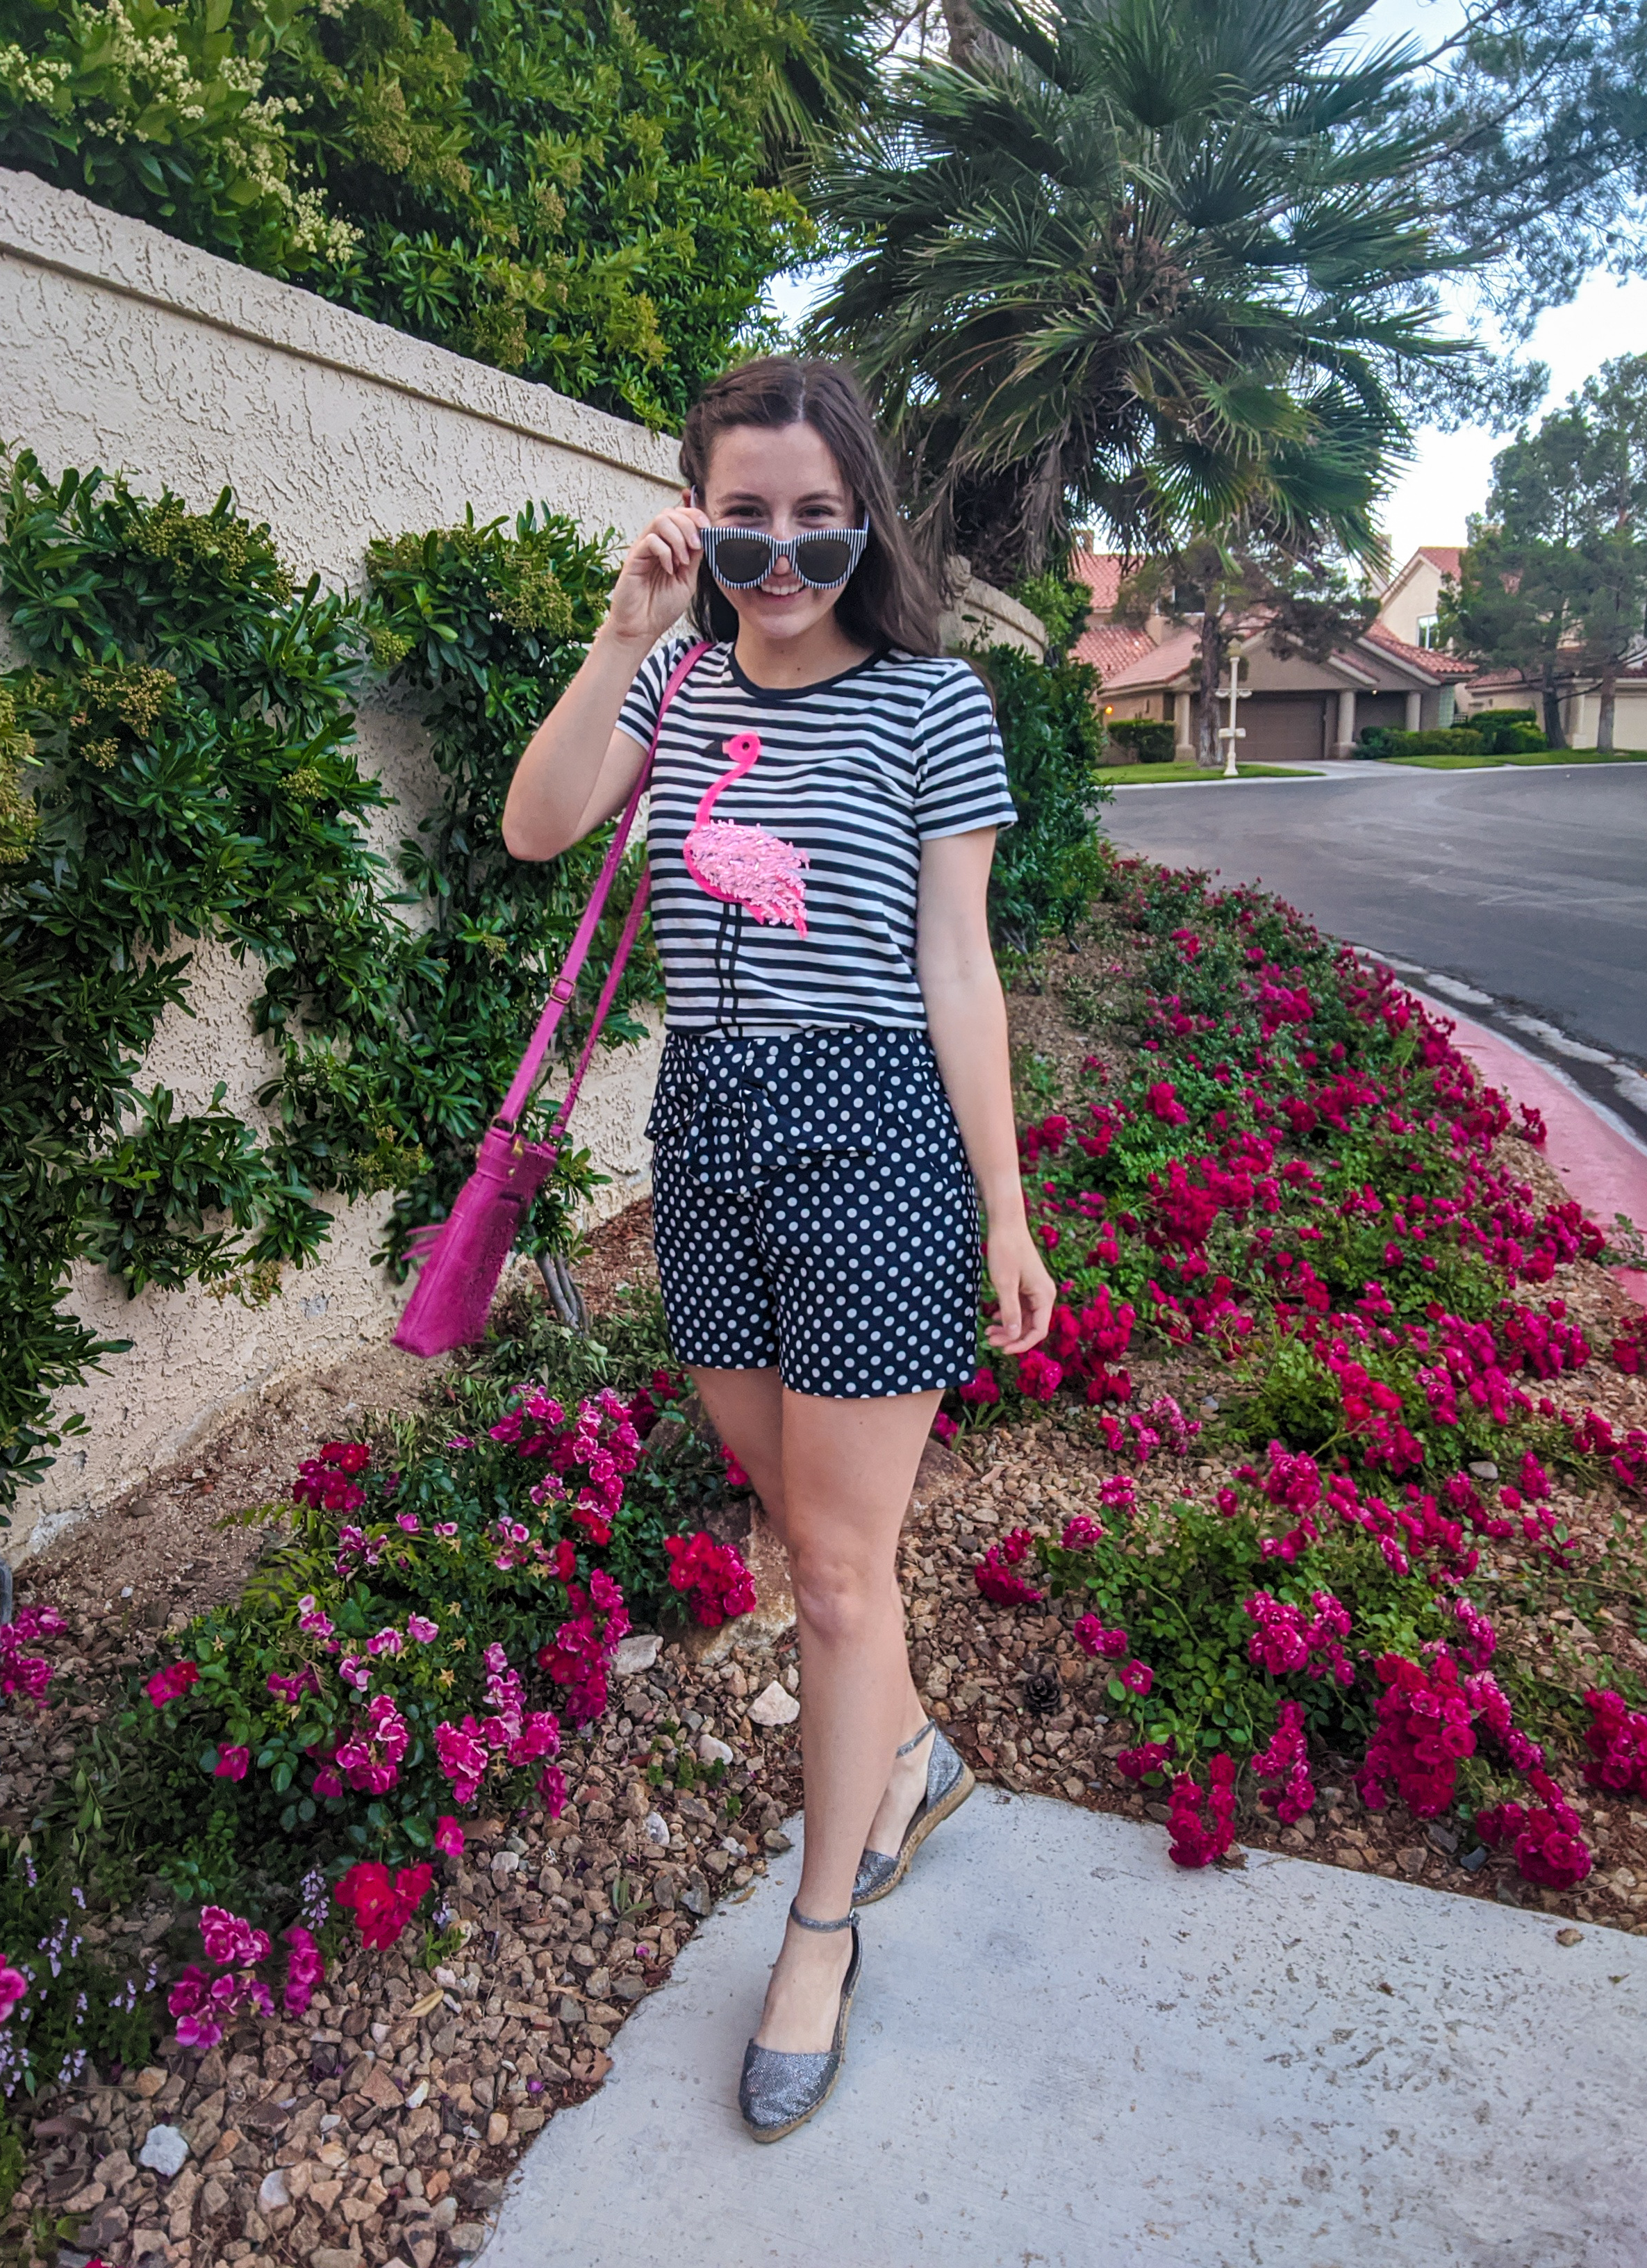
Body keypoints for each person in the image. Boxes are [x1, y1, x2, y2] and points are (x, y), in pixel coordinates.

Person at [503, 355, 1054, 2140]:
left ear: (865, 520)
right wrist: (617, 633)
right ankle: (905, 1751)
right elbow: (537, 825)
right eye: (746, 517)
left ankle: (820, 1928)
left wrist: (1003, 1203)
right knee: (793, 1519)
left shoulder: (932, 706)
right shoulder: (671, 671)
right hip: (712, 1141)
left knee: (832, 1575)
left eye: (818, 518)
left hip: (876, 1143)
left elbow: (960, 970)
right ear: (698, 515)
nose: (783, 552)